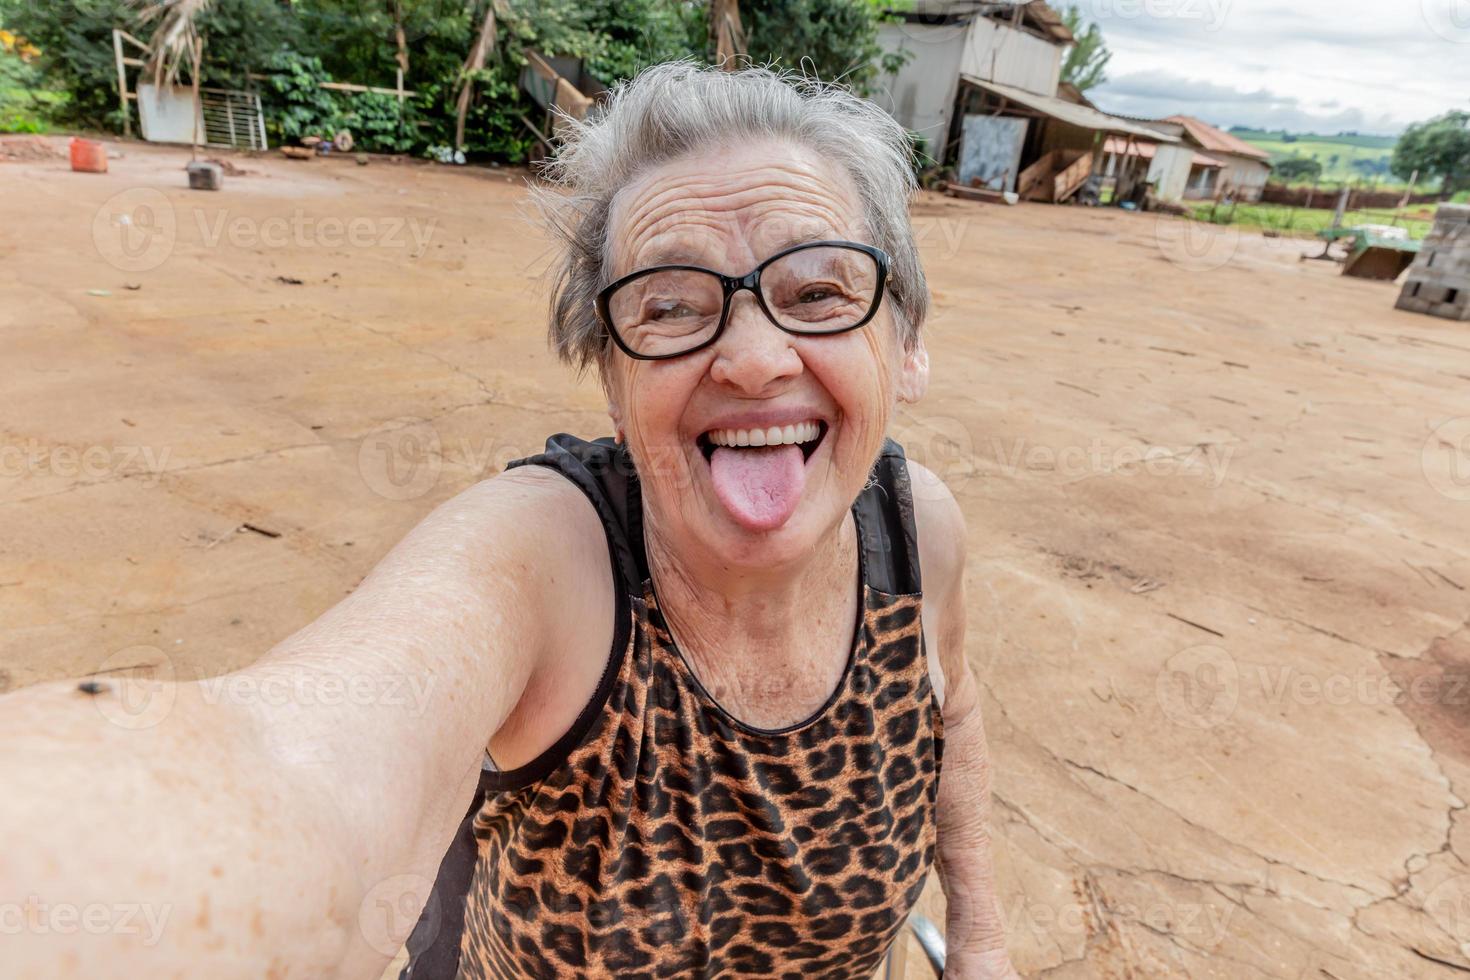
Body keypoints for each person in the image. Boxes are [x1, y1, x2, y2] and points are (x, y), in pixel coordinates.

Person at [0, 63, 1017, 979]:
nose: (752, 357)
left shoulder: (918, 530)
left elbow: (953, 710)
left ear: (907, 343)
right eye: (668, 306)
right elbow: (288, 761)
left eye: (818, 289)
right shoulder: (545, 556)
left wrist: (980, 935)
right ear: (612, 380)